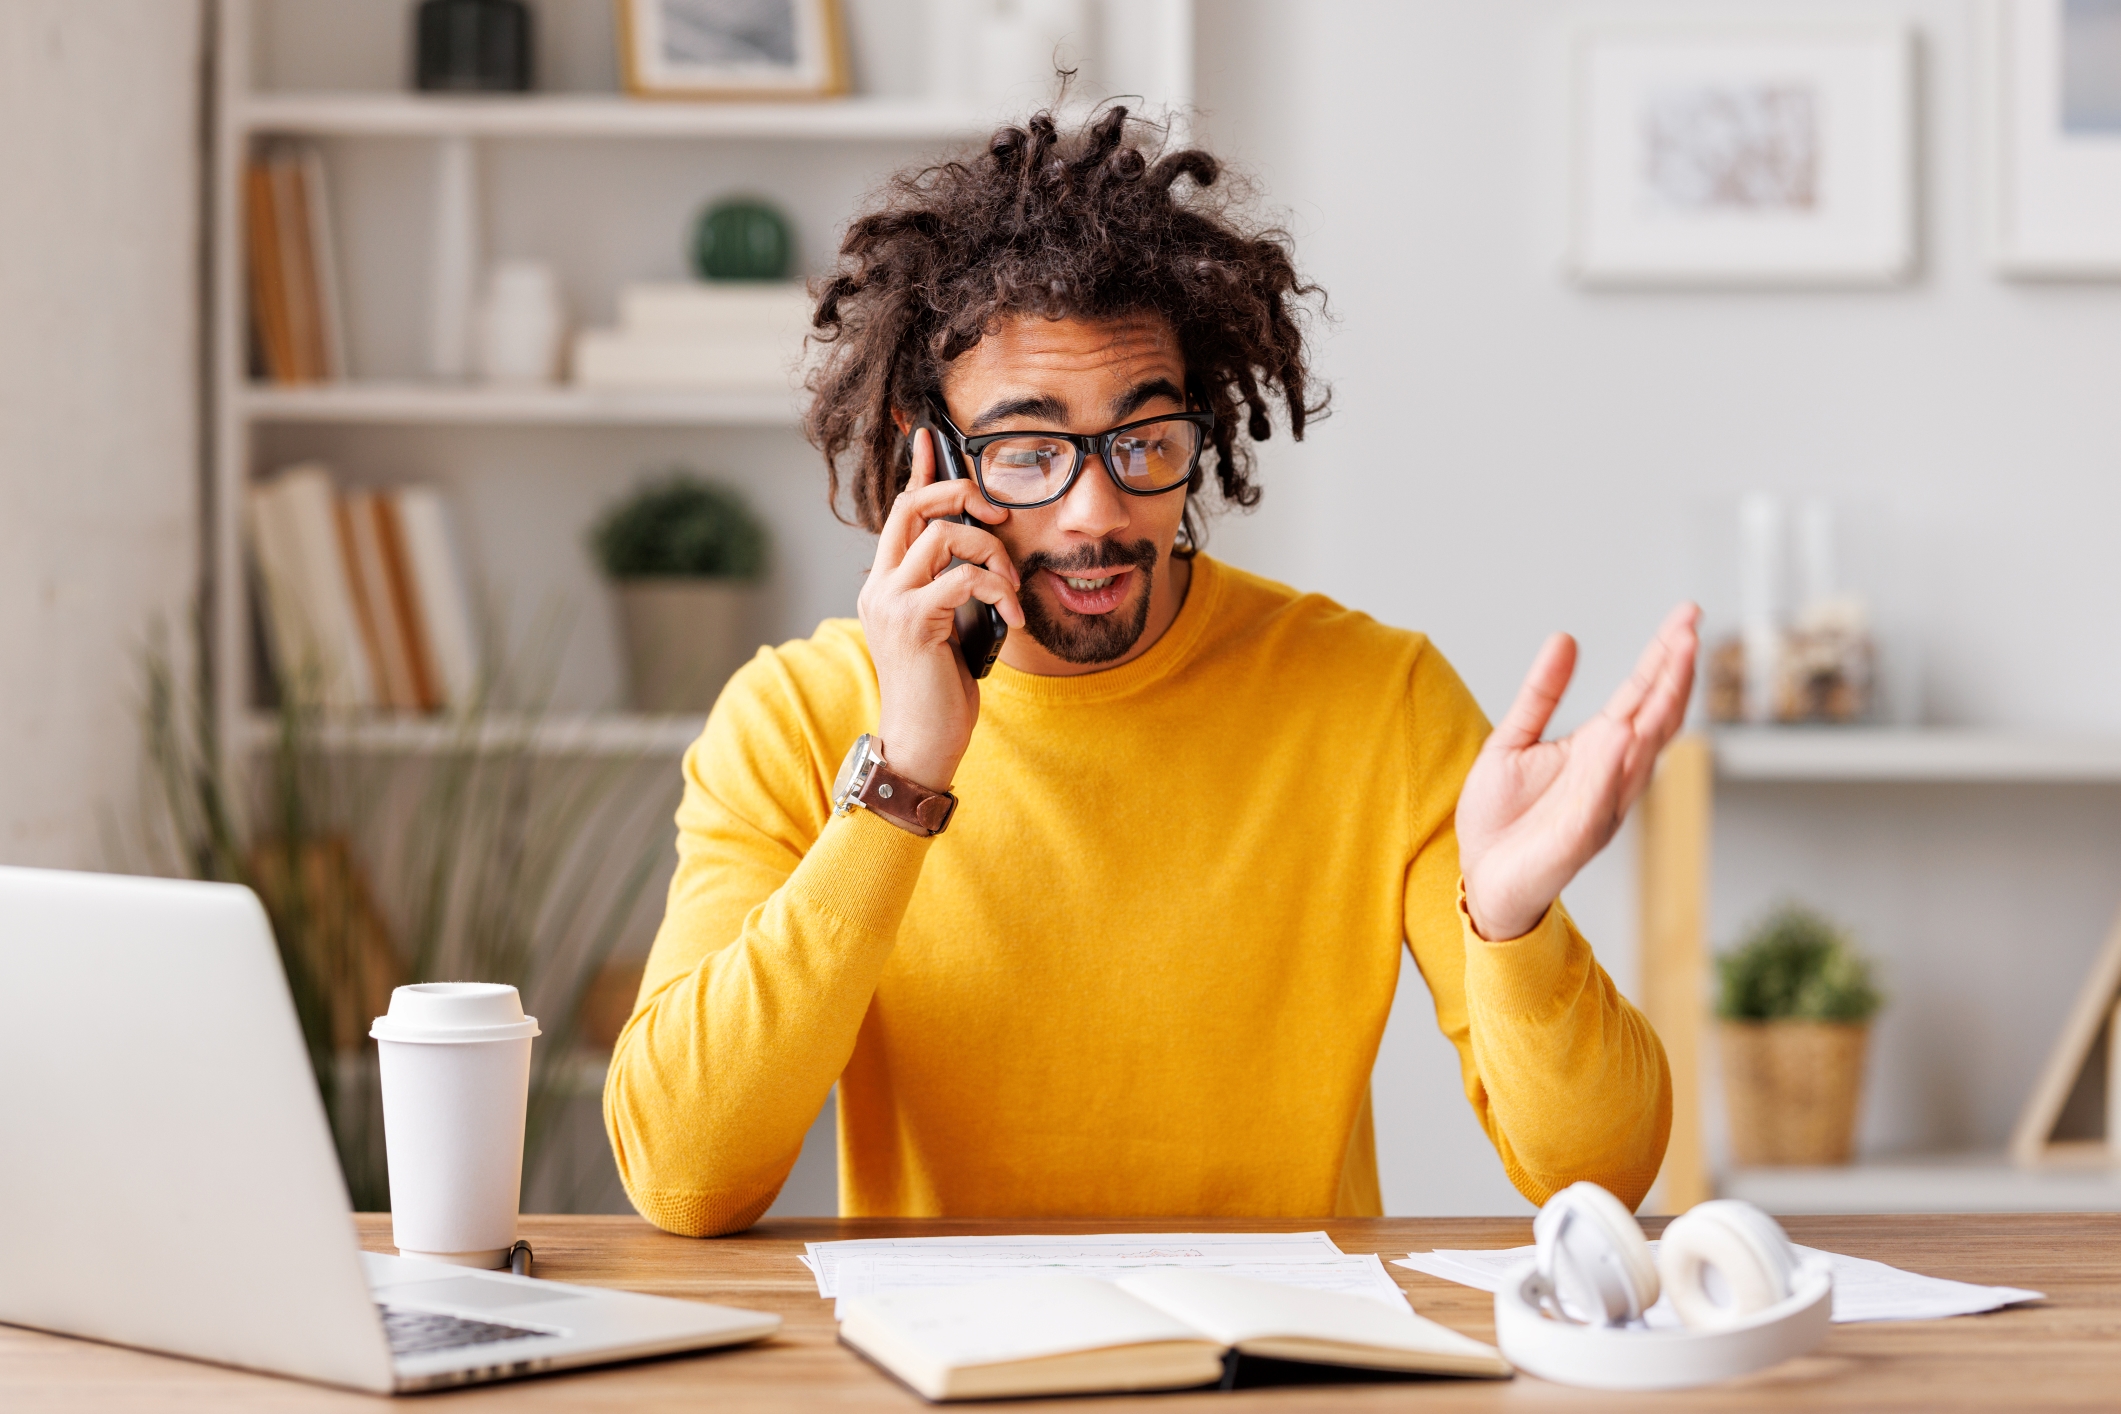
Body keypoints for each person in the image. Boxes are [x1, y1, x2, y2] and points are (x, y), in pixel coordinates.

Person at [604, 108, 1696, 1237]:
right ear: (924, 448)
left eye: (1146, 440)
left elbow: (1599, 1175)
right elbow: (686, 1174)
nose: (1097, 511)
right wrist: (902, 782)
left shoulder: (1376, 699)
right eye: (1029, 452)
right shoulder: (792, 719)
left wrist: (1512, 925)